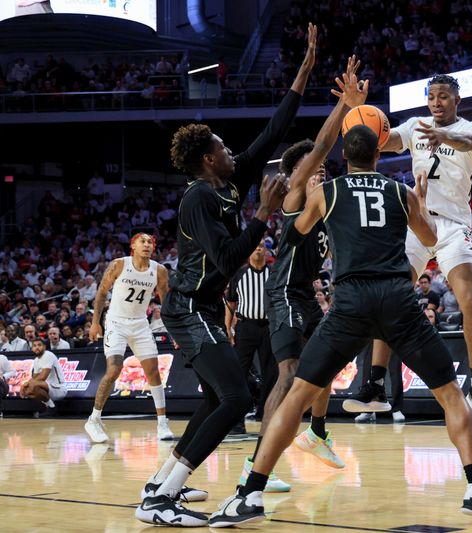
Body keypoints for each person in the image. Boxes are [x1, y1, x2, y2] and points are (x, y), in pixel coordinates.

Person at [208, 126, 472, 527]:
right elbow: (426, 238)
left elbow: (294, 233)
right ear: (378, 154)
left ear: (346, 157)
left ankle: (249, 493)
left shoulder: (327, 192)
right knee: (451, 396)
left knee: (297, 396)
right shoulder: (401, 192)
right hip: (397, 299)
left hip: (351, 301)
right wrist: (421, 205)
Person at [134, 24, 316, 527]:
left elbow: (273, 134)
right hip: (189, 308)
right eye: (222, 145)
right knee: (236, 398)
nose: (232, 149)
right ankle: (158, 501)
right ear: (208, 158)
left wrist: (303, 71)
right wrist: (263, 213)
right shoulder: (198, 197)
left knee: (221, 396)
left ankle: (160, 484)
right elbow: (226, 260)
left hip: (206, 308)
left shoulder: (229, 181)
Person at [241, 62, 368, 492]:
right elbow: (324, 145)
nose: (324, 175)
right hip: (283, 293)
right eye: (318, 171)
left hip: (307, 295)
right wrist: (346, 108)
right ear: (299, 175)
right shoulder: (296, 196)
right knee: (290, 371)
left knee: (326, 362)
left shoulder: (328, 205)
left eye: (326, 173)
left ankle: (315, 431)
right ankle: (256, 463)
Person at [356, 74, 472, 425]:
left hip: (452, 226)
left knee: (471, 301)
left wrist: (443, 135)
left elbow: (467, 142)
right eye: (432, 96)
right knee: (390, 293)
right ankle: (374, 383)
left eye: (444, 96)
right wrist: (356, 108)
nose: (436, 102)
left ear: (456, 101)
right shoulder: (415, 126)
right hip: (416, 222)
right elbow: (377, 141)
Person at [85, 233, 175, 444]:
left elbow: (166, 302)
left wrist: (175, 330)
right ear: (132, 246)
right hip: (116, 322)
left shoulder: (159, 271)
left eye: (150, 242)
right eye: (142, 241)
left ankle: (162, 422)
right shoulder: (119, 265)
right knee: (114, 369)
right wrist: (95, 322)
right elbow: (101, 293)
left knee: (153, 371)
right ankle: (94, 419)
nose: (147, 244)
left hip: (140, 324)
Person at [224, 240, 279, 435]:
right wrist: (227, 328)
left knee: (271, 373)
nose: (258, 247)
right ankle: (237, 421)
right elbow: (231, 303)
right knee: (239, 373)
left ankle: (267, 416)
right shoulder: (239, 274)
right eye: (255, 245)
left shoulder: (274, 273)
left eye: (261, 245)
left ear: (266, 250)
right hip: (245, 327)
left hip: (268, 328)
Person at [20, 338, 66, 408]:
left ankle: (51, 407)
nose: (37, 347)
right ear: (32, 348)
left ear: (44, 347)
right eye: (34, 346)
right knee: (26, 390)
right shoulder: (36, 360)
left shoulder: (48, 355)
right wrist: (24, 386)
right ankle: (46, 405)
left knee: (33, 385)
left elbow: (42, 377)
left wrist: (28, 384)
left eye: (39, 345)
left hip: (58, 389)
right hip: (48, 388)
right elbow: (34, 377)